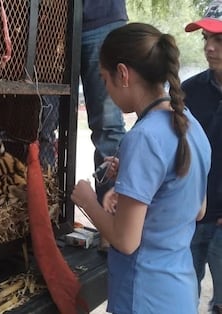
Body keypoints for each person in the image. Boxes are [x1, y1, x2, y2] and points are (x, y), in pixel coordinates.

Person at [71, 22, 211, 313]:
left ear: (123, 74)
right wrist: (133, 185)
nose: (106, 90)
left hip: (143, 296)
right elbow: (197, 210)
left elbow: (125, 241)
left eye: (104, 80)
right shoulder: (191, 124)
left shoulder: (144, 137)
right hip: (179, 293)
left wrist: (87, 200)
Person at [183, 2, 222, 312]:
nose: (208, 48)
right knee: (182, 296)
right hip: (191, 217)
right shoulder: (188, 92)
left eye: (219, 40)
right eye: (205, 39)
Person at [80, 1, 127, 251]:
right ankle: (46, 215)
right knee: (43, 122)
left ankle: (113, 223)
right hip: (51, 20)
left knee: (108, 125)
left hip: (101, 18)